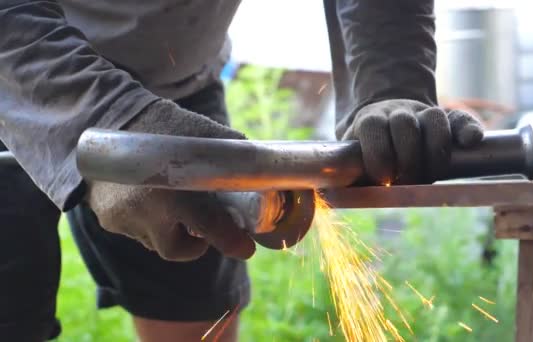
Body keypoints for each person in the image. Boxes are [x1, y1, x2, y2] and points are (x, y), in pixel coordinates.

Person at [0, 1, 484, 341]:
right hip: (14, 66)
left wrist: (389, 83)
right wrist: (108, 119)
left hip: (176, 80)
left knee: (198, 315)